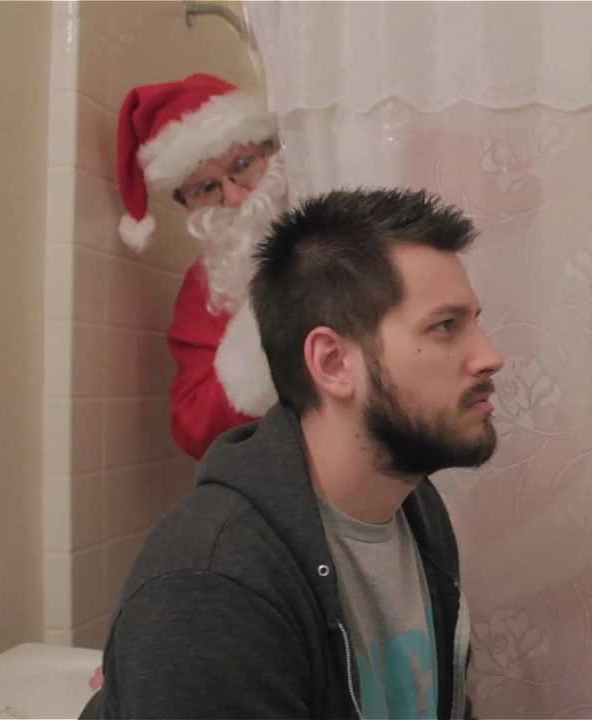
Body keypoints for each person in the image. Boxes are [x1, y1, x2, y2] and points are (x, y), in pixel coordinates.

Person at [81, 188, 503, 718]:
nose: (490, 356)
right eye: (445, 327)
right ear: (332, 363)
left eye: (475, 322)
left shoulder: (415, 509)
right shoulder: (213, 589)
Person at [116, 72, 286, 460]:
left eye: (243, 164)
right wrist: (262, 342)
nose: (234, 196)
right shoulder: (205, 291)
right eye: (207, 188)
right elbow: (192, 426)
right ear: (188, 205)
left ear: (271, 150)